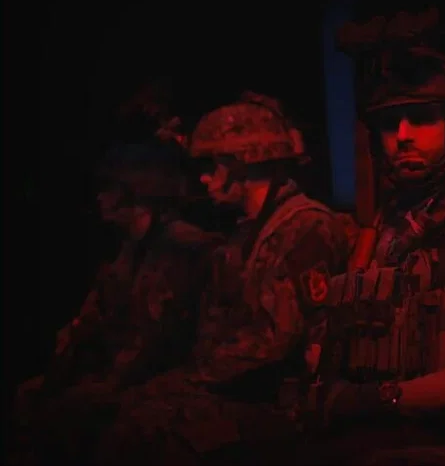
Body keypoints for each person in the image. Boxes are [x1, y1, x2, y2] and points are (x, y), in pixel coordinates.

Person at [298, 41, 445, 465]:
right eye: (390, 124)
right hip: (381, 432)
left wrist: (380, 398)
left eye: (422, 119)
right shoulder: (392, 220)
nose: (403, 136)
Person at [95, 92, 349, 465]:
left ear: (239, 165)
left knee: (142, 426)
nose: (203, 178)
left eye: (211, 167)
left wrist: (187, 380)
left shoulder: (306, 227)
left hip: (286, 407)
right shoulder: (247, 233)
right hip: (244, 394)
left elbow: (273, 342)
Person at [10, 142, 219, 465]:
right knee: (32, 397)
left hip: (160, 377)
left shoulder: (181, 247)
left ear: (135, 191)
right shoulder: (130, 247)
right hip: (124, 371)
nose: (100, 198)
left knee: (74, 415)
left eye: (109, 189)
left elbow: (155, 339)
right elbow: (97, 315)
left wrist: (106, 385)